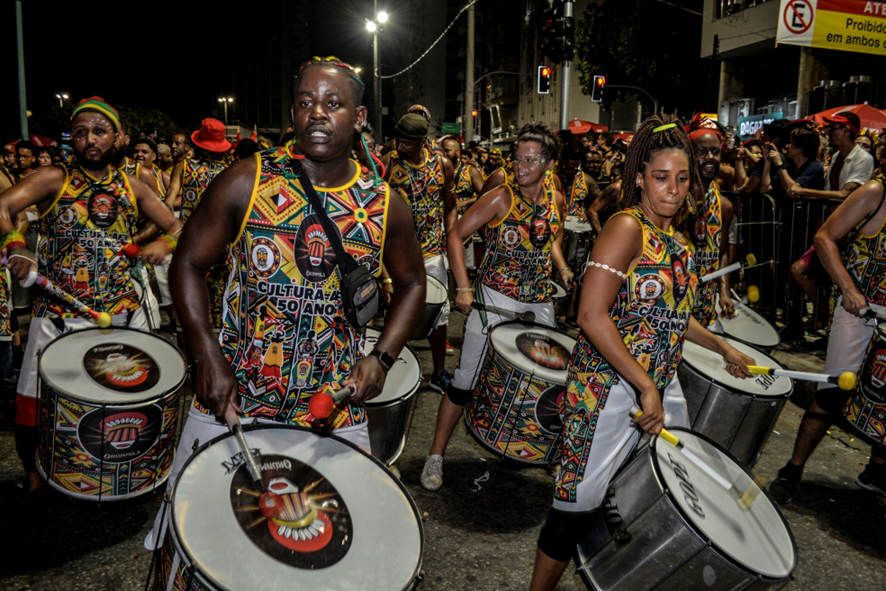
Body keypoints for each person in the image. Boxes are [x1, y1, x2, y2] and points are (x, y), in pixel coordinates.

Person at [144, 55, 426, 548]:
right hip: (235, 398)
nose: (318, 113)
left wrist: (381, 359)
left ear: (358, 119)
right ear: (293, 114)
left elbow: (412, 284)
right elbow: (186, 263)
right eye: (305, 102)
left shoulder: (384, 203)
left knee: (329, 549)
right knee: (195, 537)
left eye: (333, 104)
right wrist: (207, 355)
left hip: (333, 407)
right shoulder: (247, 180)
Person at [528, 115, 754, 591]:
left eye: (682, 178)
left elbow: (669, 316)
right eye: (660, 177)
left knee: (665, 491)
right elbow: (591, 314)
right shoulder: (626, 227)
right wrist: (644, 384)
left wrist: (721, 345)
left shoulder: (679, 239)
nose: (672, 189)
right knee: (576, 506)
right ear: (638, 178)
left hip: (657, 385)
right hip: (607, 389)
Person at [0, 97, 181, 499]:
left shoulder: (132, 186)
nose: (89, 139)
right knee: (32, 401)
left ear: (119, 137)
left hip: (120, 313)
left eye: (99, 131)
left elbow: (176, 225)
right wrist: (15, 243)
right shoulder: (53, 178)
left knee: (120, 401)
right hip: (58, 314)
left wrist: (162, 244)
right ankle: (34, 475)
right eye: (81, 132)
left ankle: (115, 472)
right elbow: (4, 203)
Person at [420, 123, 573, 491]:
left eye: (530, 160)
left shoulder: (557, 198)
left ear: (548, 164)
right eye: (517, 158)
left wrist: (563, 266)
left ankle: (539, 452)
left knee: (544, 383)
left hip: (539, 303)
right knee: (466, 379)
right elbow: (455, 235)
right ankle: (435, 456)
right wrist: (462, 286)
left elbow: (550, 238)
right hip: (496, 300)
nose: (521, 166)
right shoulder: (500, 198)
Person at [769, 176, 886, 503]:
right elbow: (824, 238)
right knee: (835, 390)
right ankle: (792, 469)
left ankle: (876, 470)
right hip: (859, 309)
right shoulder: (875, 193)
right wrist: (848, 289)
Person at [382, 110, 457, 392]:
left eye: (406, 142)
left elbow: (450, 206)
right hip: (398, 252)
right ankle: (387, 369)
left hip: (432, 252)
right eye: (397, 140)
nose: (399, 146)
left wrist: (451, 238)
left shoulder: (442, 164)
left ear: (422, 141)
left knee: (439, 315)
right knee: (395, 312)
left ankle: (438, 373)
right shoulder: (389, 164)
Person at [165, 118, 231, 330]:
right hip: (223, 244)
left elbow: (168, 201)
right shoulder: (231, 171)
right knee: (220, 296)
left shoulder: (184, 167)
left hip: (190, 243)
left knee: (192, 297)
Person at [686, 119, 735, 331]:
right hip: (671, 307)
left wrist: (724, 291)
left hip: (705, 308)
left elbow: (721, 252)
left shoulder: (724, 206)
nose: (709, 158)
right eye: (701, 151)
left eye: (715, 152)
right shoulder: (672, 200)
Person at [553, 139, 600, 220]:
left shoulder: (586, 179)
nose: (570, 172)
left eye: (575, 168)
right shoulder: (552, 178)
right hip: (556, 223)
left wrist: (589, 213)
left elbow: (602, 203)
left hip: (579, 225)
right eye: (567, 168)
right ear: (561, 162)